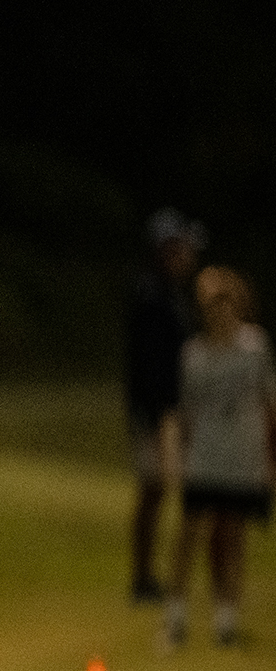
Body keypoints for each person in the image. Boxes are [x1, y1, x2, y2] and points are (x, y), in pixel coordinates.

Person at [161, 266, 275, 649]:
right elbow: (185, 411)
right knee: (189, 533)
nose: (221, 314)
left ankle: (227, 618)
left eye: (227, 306)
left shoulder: (255, 348)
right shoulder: (194, 354)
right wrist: (178, 455)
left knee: (234, 534)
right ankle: (176, 615)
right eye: (213, 308)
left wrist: (270, 458)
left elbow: (268, 404)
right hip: (205, 457)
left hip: (243, 457)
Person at [125, 209, 205, 603]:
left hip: (166, 409)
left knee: (159, 490)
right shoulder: (153, 296)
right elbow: (149, 364)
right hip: (159, 412)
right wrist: (160, 415)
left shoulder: (168, 294)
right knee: (154, 489)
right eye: (181, 248)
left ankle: (154, 577)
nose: (188, 256)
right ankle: (143, 578)